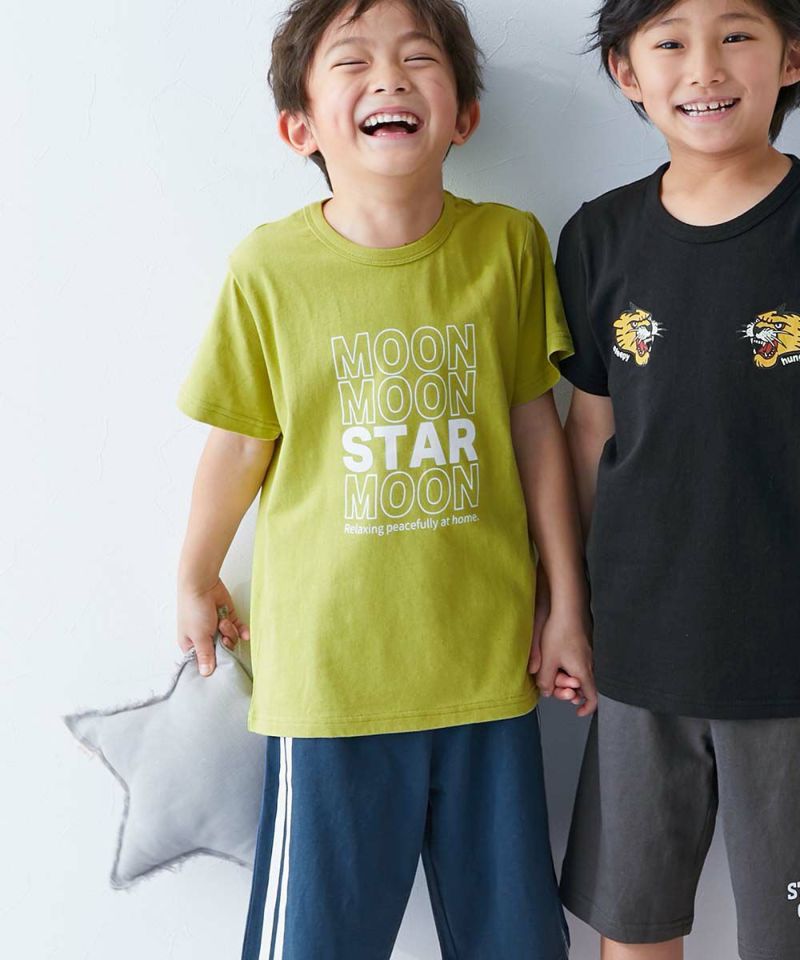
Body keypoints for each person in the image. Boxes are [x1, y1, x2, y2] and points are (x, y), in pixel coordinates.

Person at [174, 0, 596, 957]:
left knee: (516, 942)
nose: (391, 78)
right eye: (352, 62)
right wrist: (194, 572)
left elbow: (537, 431)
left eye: (417, 58)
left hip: (488, 668)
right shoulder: (270, 269)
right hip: (329, 681)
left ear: (464, 116)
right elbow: (238, 443)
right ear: (301, 128)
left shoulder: (508, 246)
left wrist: (566, 605)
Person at [553, 1, 800, 958]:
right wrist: (568, 607)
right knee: (635, 926)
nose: (704, 67)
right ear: (627, 71)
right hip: (640, 649)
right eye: (669, 42)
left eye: (737, 34)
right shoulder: (600, 237)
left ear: (790, 58)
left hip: (786, 658)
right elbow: (589, 434)